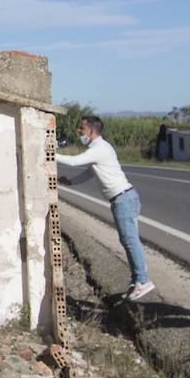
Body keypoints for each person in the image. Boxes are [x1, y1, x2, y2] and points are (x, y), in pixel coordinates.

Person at [57, 115, 155, 300]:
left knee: (130, 240)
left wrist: (48, 151)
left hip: (123, 199)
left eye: (81, 128)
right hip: (123, 199)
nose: (79, 132)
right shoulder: (97, 149)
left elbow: (73, 162)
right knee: (127, 240)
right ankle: (137, 280)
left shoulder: (100, 148)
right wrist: (70, 181)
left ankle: (143, 280)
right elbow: (90, 172)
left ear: (92, 131)